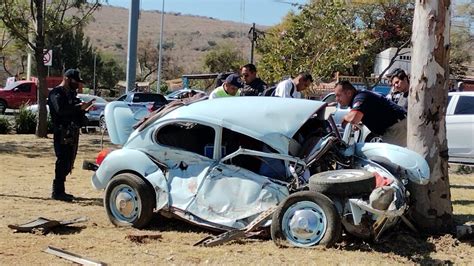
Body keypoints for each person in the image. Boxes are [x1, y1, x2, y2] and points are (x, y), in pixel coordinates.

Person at [48, 69, 94, 201]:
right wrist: (78, 108)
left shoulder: (71, 94)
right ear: (67, 79)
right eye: (75, 81)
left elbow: (74, 109)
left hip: (71, 132)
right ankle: (57, 191)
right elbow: (61, 110)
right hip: (61, 131)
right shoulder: (56, 93)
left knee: (69, 161)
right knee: (62, 160)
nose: (77, 84)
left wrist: (83, 110)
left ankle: (61, 191)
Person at [334, 80, 407, 146]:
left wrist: (345, 118)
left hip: (396, 128)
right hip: (394, 128)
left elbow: (354, 118)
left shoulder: (360, 97)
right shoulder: (359, 96)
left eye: (339, 95)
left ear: (349, 93)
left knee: (391, 158)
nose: (337, 99)